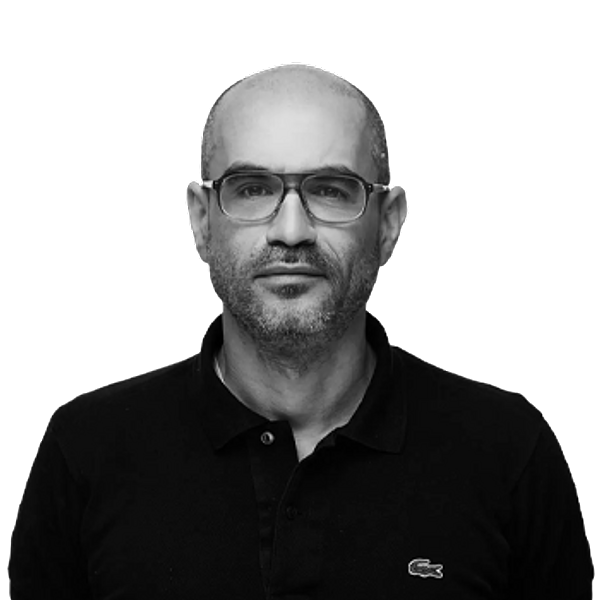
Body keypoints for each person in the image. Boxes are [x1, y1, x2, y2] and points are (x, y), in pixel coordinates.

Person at [9, 64, 593, 599]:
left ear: (388, 223)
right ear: (201, 220)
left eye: (330, 191)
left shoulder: (509, 453)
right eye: (252, 189)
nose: (291, 231)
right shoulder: (85, 452)